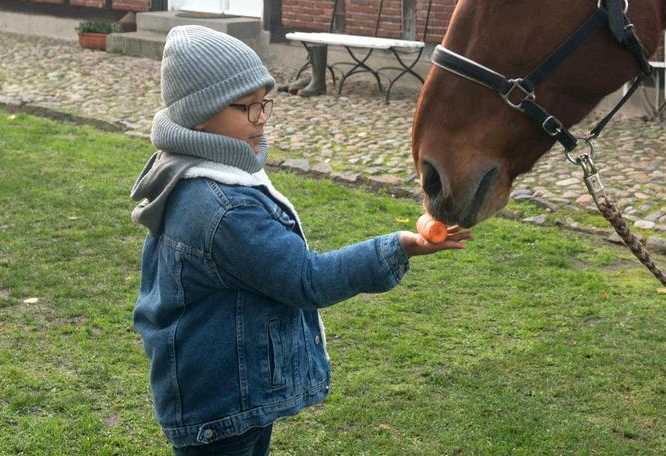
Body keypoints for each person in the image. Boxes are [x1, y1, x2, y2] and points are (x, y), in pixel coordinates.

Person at [130, 25, 469, 455]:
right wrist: (399, 245)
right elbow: (307, 280)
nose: (262, 119)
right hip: (222, 404)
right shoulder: (224, 209)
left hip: (218, 392)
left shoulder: (188, 168)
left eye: (265, 104)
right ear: (201, 114)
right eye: (247, 108)